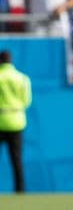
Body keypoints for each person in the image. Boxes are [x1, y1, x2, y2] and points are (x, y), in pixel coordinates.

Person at [0, 49, 31, 192]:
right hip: (17, 121)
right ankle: (20, 190)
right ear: (11, 61)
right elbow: (26, 101)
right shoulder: (22, 78)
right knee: (17, 159)